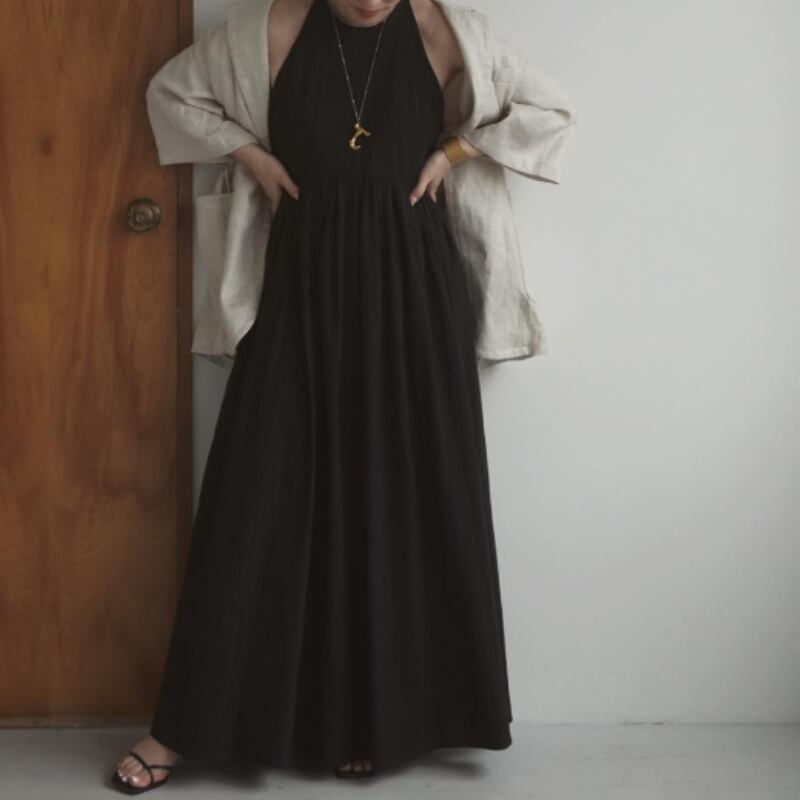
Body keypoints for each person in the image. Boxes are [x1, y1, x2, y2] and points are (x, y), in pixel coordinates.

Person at [112, 0, 575, 791]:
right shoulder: (271, 30)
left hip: (415, 289)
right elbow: (172, 93)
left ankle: (371, 721)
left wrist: (457, 151)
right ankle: (180, 730)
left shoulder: (445, 31)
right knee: (257, 493)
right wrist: (250, 156)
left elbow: (548, 109)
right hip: (300, 282)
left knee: (401, 493)